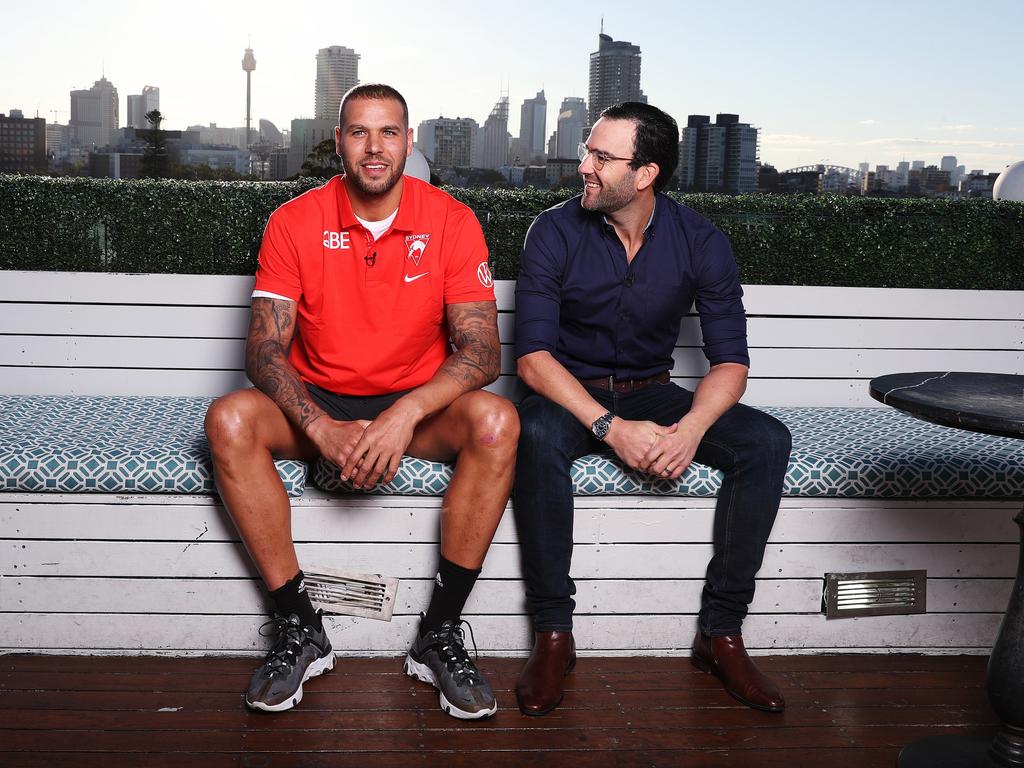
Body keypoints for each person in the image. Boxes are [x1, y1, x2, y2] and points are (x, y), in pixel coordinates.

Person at [204, 83, 517, 720]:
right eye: (359, 132)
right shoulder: (294, 220)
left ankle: (439, 633)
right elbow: (264, 350)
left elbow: (484, 353)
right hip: (318, 396)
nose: (374, 148)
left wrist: (403, 416)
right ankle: (300, 628)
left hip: (416, 404)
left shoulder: (452, 221)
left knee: (498, 421)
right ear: (339, 141)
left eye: (389, 132)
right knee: (228, 418)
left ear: (410, 140)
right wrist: (321, 428)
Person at [511, 102, 792, 716]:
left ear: (645, 175)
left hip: (655, 390)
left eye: (601, 157)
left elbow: (730, 364)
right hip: (568, 391)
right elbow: (532, 359)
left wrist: (689, 431)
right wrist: (610, 428)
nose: (584, 166)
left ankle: (722, 634)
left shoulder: (701, 240)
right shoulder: (552, 231)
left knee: (767, 441)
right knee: (532, 431)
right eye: (588, 151)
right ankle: (554, 634)